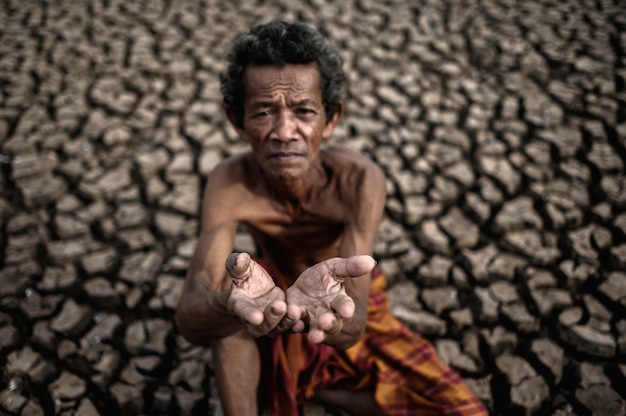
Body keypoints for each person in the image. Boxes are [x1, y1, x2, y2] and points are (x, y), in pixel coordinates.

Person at [175, 20, 487, 416]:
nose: (285, 131)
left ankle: (308, 385)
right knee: (237, 311)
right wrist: (226, 305)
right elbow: (190, 315)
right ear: (237, 122)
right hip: (272, 297)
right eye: (263, 112)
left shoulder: (359, 181)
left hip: (342, 302)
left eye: (304, 111)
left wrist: (329, 319)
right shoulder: (230, 182)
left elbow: (353, 324)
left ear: (332, 117)